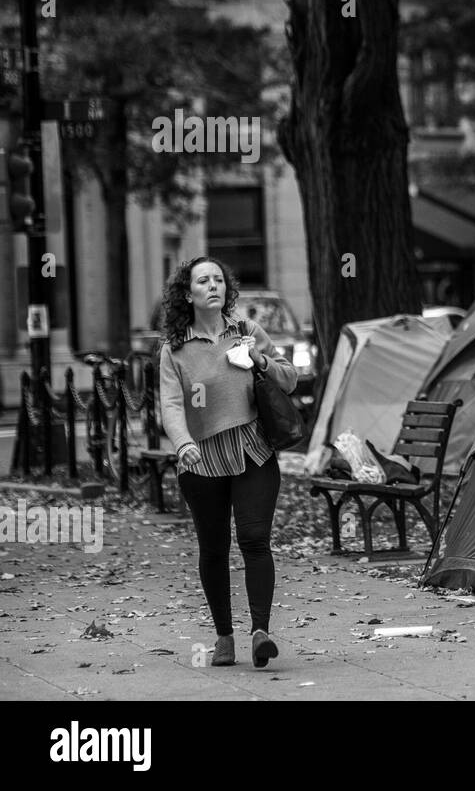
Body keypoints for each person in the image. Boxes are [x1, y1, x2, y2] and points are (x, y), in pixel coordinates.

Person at [156, 256, 297, 668]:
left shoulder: (247, 332)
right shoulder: (175, 349)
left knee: (254, 541)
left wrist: (260, 361)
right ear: (189, 293)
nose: (213, 285)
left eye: (219, 279)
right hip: (201, 460)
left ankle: (260, 632)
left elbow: (289, 378)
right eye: (204, 280)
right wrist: (182, 444)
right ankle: (224, 637)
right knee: (214, 549)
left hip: (253, 450)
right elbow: (170, 404)